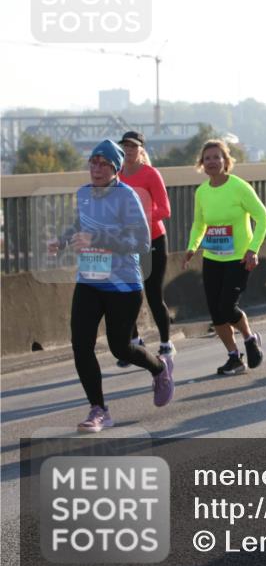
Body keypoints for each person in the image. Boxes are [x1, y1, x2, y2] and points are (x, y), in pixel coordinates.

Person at [49, 140, 174, 432]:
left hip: (123, 285)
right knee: (81, 346)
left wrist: (99, 240)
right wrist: (63, 241)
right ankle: (99, 409)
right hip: (90, 281)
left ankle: (158, 367)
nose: (97, 168)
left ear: (115, 168)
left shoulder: (127, 197)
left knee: (121, 349)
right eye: (93, 162)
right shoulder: (83, 194)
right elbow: (81, 225)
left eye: (104, 163)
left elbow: (141, 243)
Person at [183, 140, 266, 375]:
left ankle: (250, 338)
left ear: (226, 161)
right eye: (207, 158)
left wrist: (253, 249)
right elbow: (199, 223)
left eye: (216, 157)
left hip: (238, 258)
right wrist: (192, 247)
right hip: (213, 257)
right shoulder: (201, 192)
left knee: (226, 306)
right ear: (202, 163)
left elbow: (263, 217)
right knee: (216, 312)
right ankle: (234, 357)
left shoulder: (239, 187)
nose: (212, 161)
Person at [116, 130, 175, 368]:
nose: (128, 150)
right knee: (125, 294)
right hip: (126, 244)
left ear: (141, 149)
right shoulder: (117, 176)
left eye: (133, 146)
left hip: (153, 240)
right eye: (125, 146)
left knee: (153, 295)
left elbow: (165, 210)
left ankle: (165, 343)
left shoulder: (151, 174)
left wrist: (139, 218)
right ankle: (134, 343)